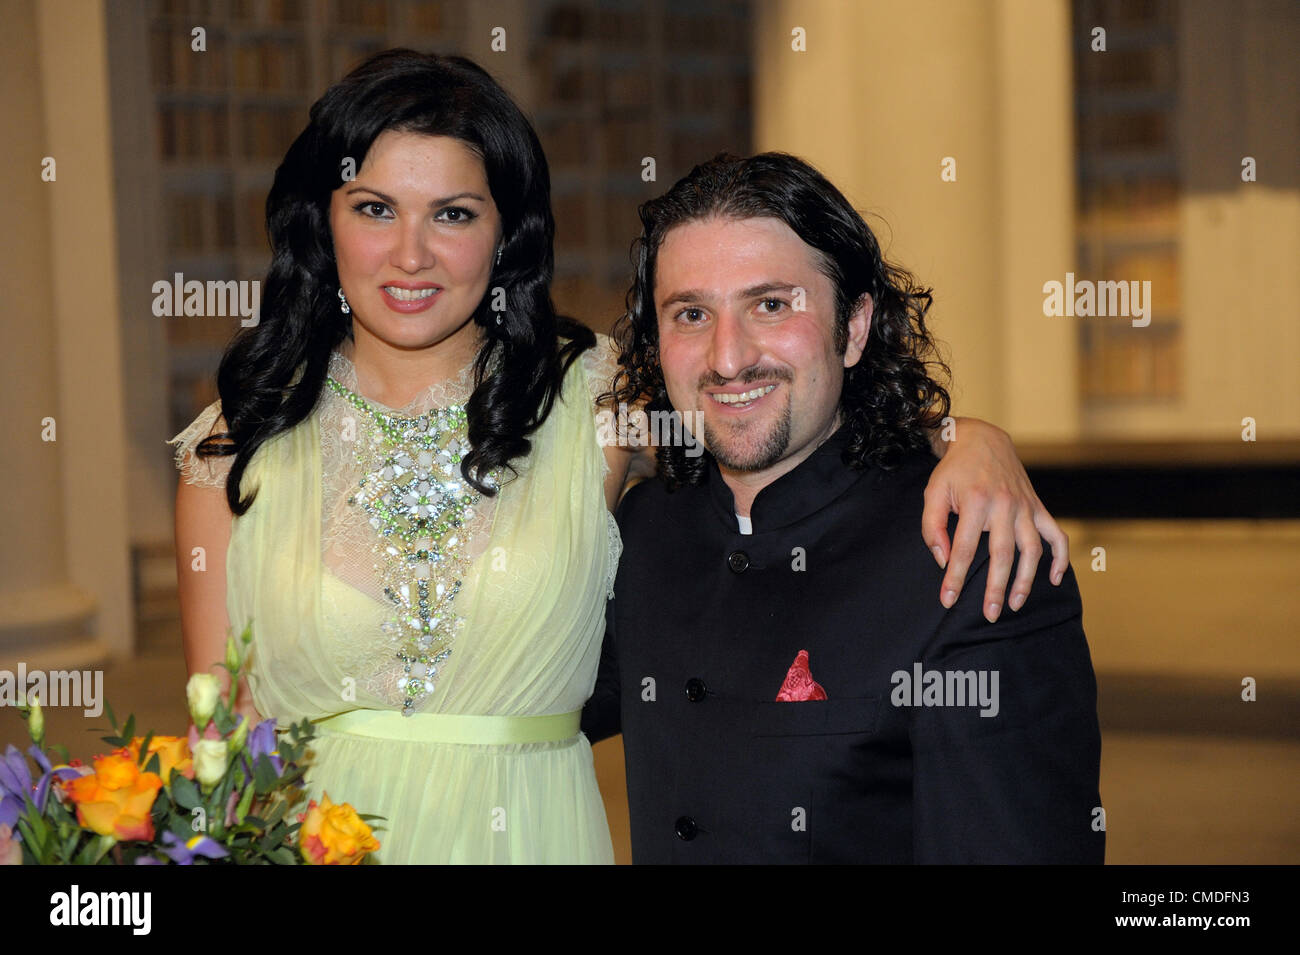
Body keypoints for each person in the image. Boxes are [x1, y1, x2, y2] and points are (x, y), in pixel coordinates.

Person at [169, 50, 1070, 864]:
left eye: (453, 212)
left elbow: (755, 405)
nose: (413, 252)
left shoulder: (592, 403)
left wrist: (966, 438)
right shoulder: (232, 450)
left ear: (503, 235)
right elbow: (220, 743)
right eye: (374, 209)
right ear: (322, 227)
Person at [583, 152, 1104, 864]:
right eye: (692, 313)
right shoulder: (642, 536)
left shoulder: (972, 557)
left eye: (771, 305)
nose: (728, 357)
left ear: (855, 327)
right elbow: (503, 707)